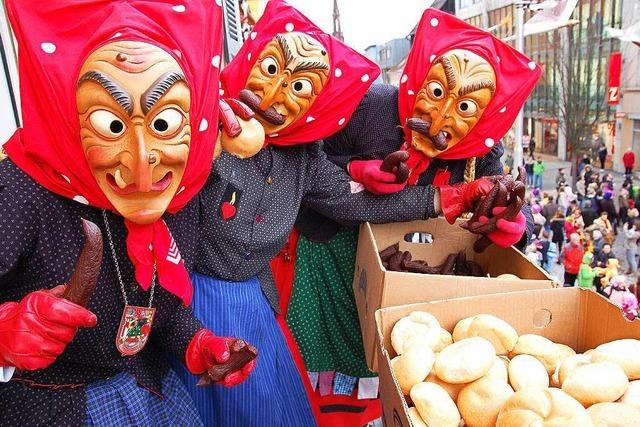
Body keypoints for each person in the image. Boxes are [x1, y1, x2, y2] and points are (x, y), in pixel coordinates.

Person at [175, 5, 501, 426]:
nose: (276, 95)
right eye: (270, 68)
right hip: (190, 299)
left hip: (254, 301)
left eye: (300, 87)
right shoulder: (204, 129)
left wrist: (443, 200)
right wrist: (199, 141)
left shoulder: (303, 157)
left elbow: (353, 203)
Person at [0, 1, 256, 425]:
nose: (142, 164)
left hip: (148, 389)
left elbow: (159, 307)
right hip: (52, 406)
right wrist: (5, 333)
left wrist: (198, 343)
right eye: (111, 124)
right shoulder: (23, 188)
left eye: (164, 123)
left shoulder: (183, 190)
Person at [284, 8, 540, 424]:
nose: (439, 120)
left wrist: (515, 227)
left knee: (398, 375)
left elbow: (505, 207)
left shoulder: (482, 151)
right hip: (331, 259)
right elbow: (309, 163)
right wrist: (353, 169)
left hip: (407, 285)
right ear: (421, 78)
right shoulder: (371, 107)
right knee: (317, 385)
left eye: (465, 107)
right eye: (437, 94)